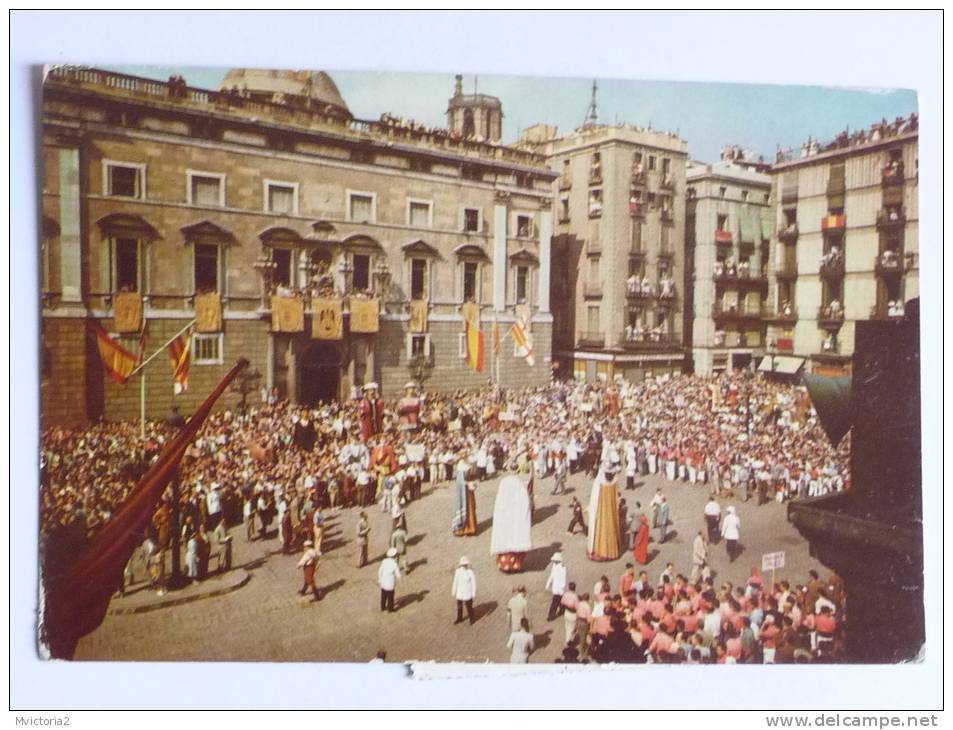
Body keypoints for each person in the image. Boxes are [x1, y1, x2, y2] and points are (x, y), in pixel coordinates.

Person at [490, 473, 533, 573]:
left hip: (507, 515)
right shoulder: (520, 483)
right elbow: (525, 502)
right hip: (515, 516)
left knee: (506, 538)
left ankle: (506, 565)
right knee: (515, 539)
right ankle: (515, 565)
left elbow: (500, 502)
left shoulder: (504, 483)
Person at [586, 464, 623, 561]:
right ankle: (612, 551)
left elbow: (594, 500)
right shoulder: (615, 482)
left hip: (601, 510)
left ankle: (601, 551)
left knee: (601, 529)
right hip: (611, 511)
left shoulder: (599, 482)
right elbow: (617, 498)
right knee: (611, 527)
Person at [452, 455, 478, 536]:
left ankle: (469, 528)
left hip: (468, 490)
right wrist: (470, 482)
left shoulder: (465, 466)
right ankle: (465, 528)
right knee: (468, 506)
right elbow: (463, 480)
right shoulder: (462, 467)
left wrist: (473, 482)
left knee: (469, 507)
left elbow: (471, 477)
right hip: (465, 490)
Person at [452, 556, 477, 625]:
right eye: (463, 565)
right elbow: (455, 581)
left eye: (465, 565)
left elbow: (473, 583)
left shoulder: (470, 572)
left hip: (468, 593)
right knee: (459, 606)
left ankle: (472, 619)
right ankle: (459, 618)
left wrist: (473, 593)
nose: (464, 566)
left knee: (469, 607)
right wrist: (454, 591)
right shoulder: (458, 572)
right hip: (460, 592)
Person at [545, 552, 567, 621]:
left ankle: (551, 616)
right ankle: (562, 610)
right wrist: (548, 584)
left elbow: (563, 579)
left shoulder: (562, 568)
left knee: (554, 603)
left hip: (559, 588)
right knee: (560, 600)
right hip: (556, 587)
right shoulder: (554, 566)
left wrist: (561, 588)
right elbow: (552, 575)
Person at [378, 547, 401, 612]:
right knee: (390, 597)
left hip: (383, 583)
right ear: (394, 556)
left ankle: (382, 607)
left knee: (383, 596)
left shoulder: (384, 562)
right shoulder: (394, 564)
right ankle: (390, 609)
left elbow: (380, 571)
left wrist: (379, 579)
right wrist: (399, 578)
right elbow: (398, 574)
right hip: (390, 584)